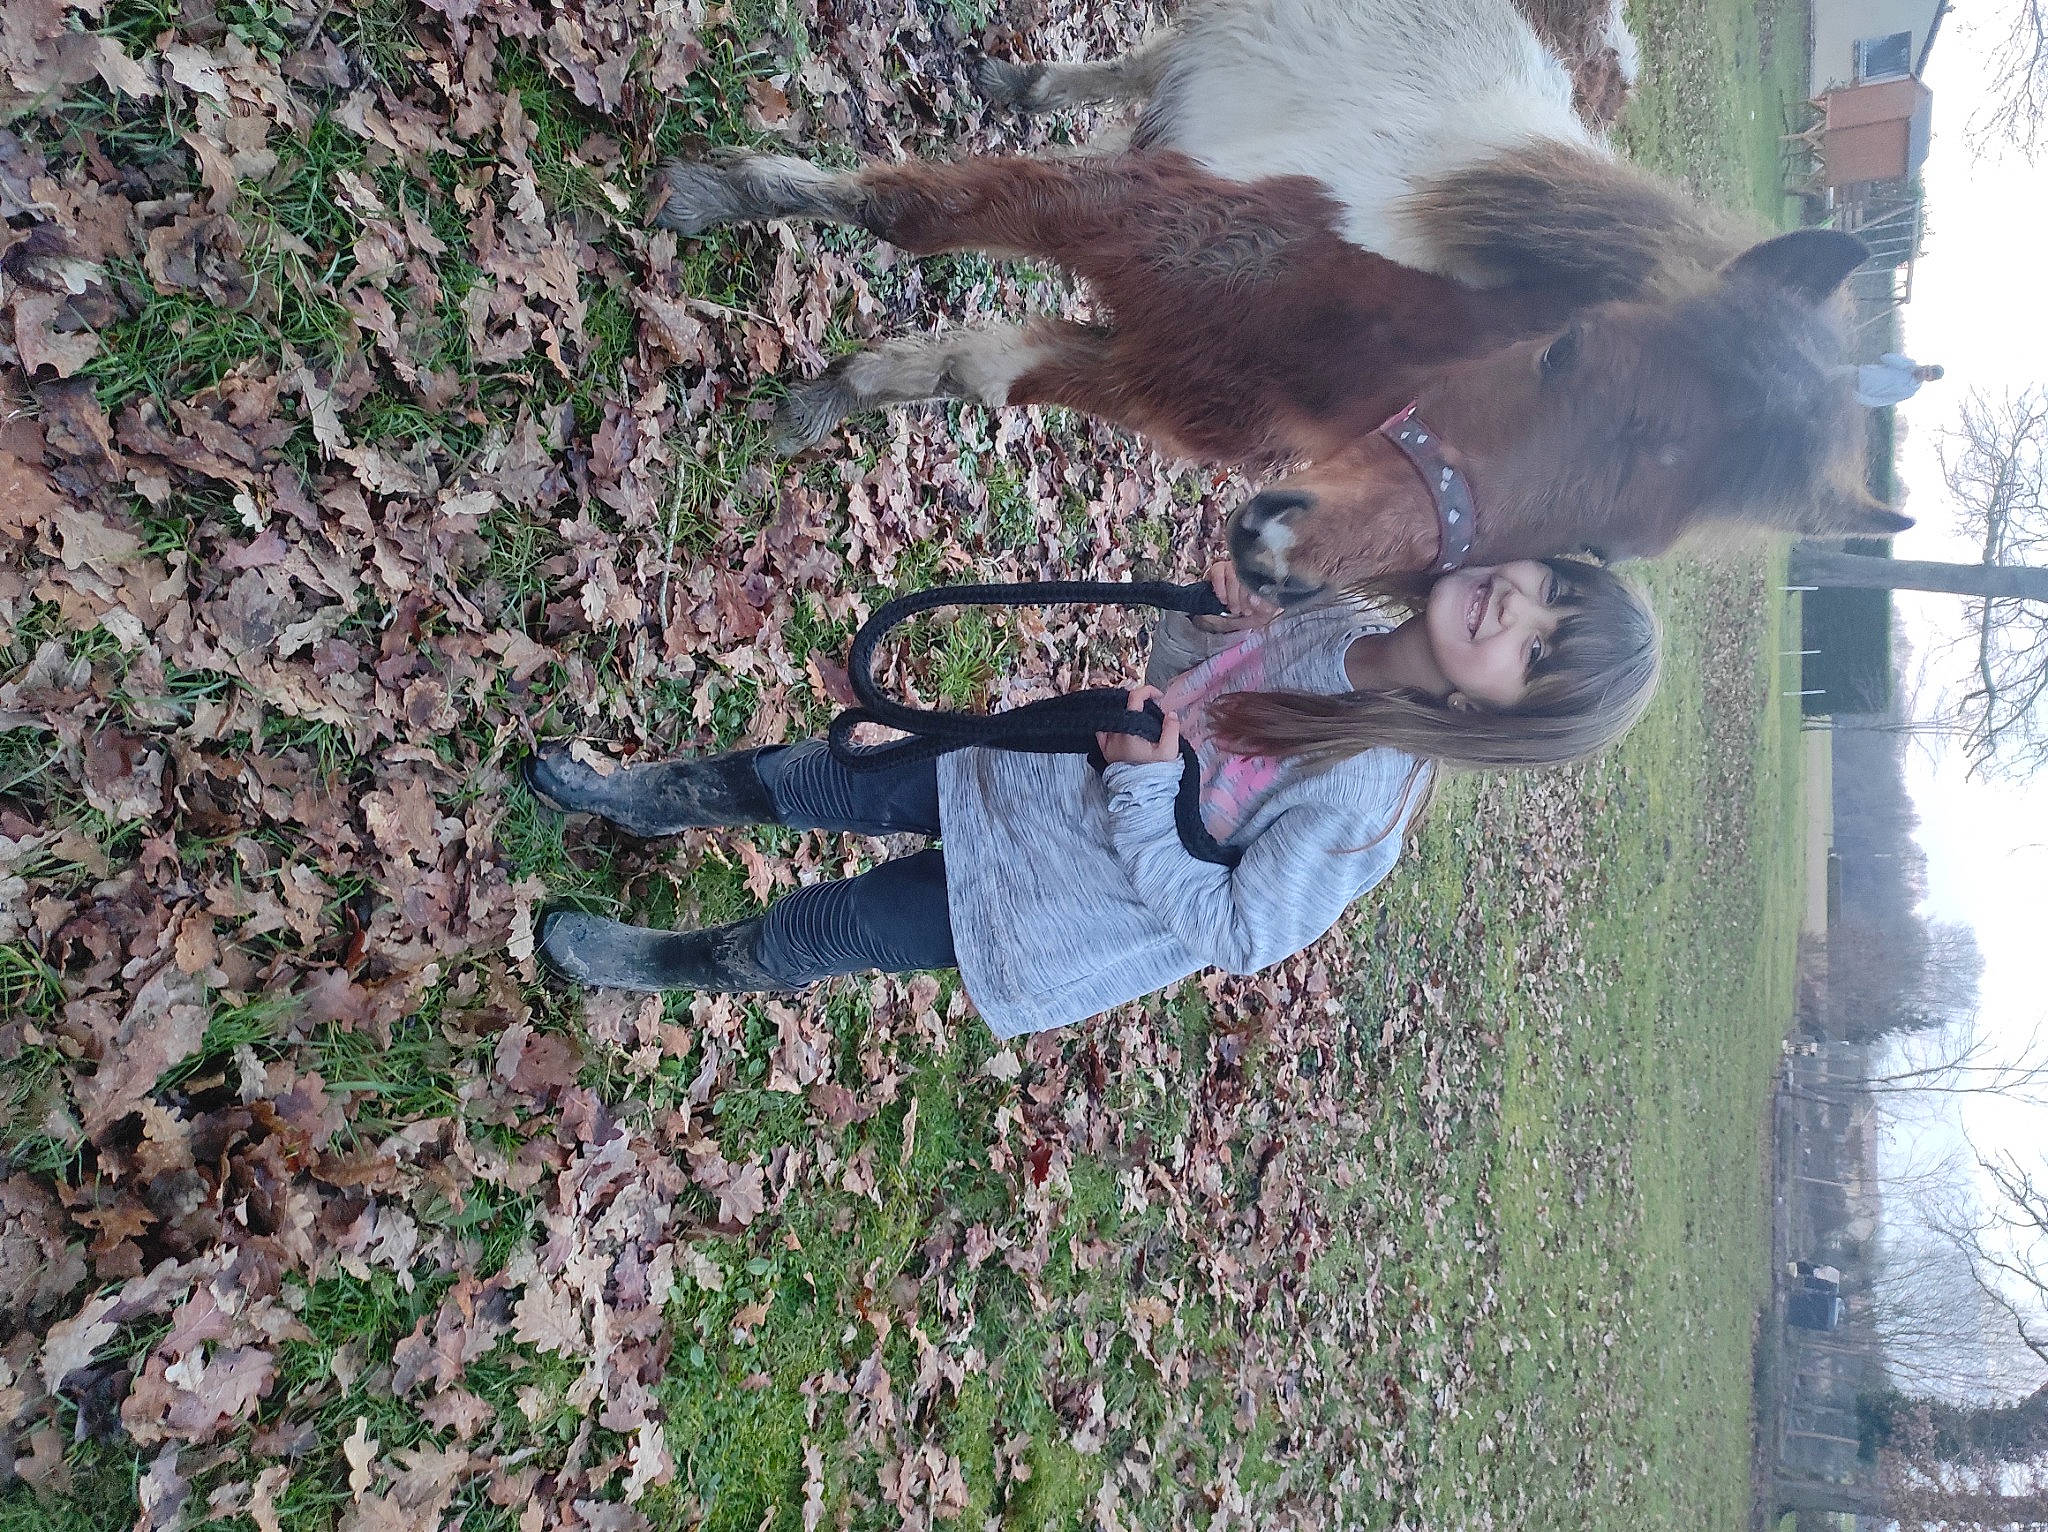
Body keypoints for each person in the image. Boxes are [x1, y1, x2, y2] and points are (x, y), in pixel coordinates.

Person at [528, 556, 1661, 1037]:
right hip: (1015, 771)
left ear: (1502, 716)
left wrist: (1147, 791)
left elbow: (1239, 930)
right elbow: (1179, 689)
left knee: (829, 926)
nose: (1510, 605)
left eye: (1534, 647)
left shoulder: (1362, 805)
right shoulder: (1341, 619)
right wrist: (1198, 622)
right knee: (811, 775)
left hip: (1044, 904)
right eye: (1543, 584)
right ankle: (643, 798)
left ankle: (656, 961)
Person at [1837, 354, 1944, 408]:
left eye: (1927, 374)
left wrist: (1861, 399)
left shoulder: (1909, 391)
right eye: (1926, 369)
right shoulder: (1908, 363)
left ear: (1929, 380)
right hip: (1859, 373)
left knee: (1831, 395)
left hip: (1858, 391)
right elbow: (1884, 357)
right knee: (1830, 374)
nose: (1924, 372)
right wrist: (1907, 365)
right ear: (1926, 365)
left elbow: (1885, 401)